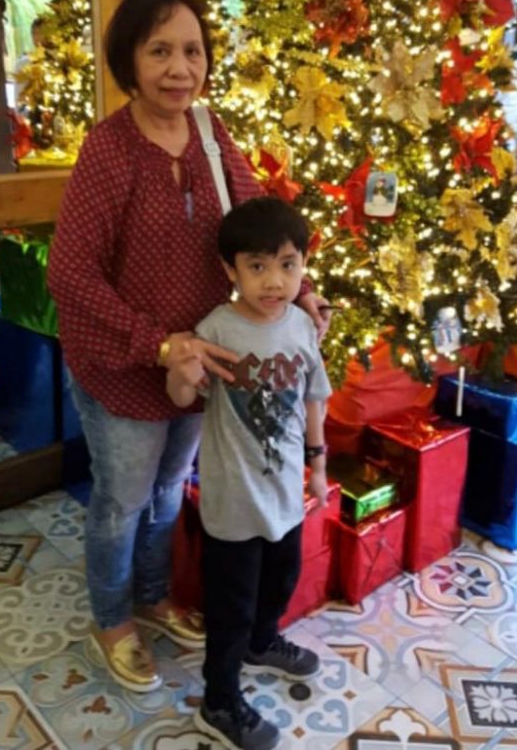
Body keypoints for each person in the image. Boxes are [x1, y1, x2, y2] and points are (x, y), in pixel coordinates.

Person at [47, 0, 330, 696]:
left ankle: (152, 595)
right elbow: (70, 273)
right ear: (129, 61)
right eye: (160, 51)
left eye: (193, 50)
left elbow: (259, 224)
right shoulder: (108, 149)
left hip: (200, 362)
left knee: (171, 489)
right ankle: (112, 617)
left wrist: (300, 286)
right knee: (122, 499)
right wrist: (155, 343)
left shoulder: (210, 132)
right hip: (121, 363)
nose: (180, 68)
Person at [167, 196, 331, 750]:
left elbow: (314, 396)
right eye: (256, 266)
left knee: (280, 580)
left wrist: (317, 465)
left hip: (285, 493)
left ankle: (265, 641)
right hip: (234, 501)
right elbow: (183, 393)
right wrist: (183, 371)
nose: (273, 281)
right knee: (230, 607)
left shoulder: (302, 326)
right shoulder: (217, 328)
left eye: (287, 264)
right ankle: (219, 700)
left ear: (304, 265)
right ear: (229, 270)